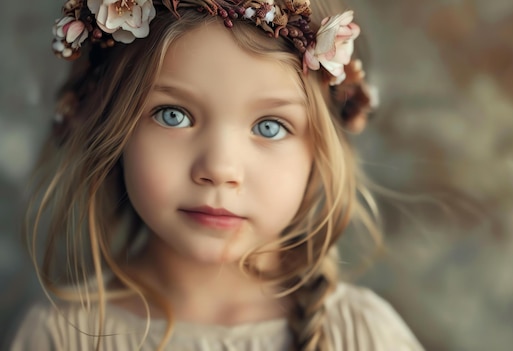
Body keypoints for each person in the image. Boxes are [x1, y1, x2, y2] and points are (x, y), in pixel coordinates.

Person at [10, 0, 424, 350]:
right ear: (113, 129)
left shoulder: (362, 335)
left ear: (318, 153)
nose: (219, 170)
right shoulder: (61, 337)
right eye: (173, 115)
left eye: (270, 126)